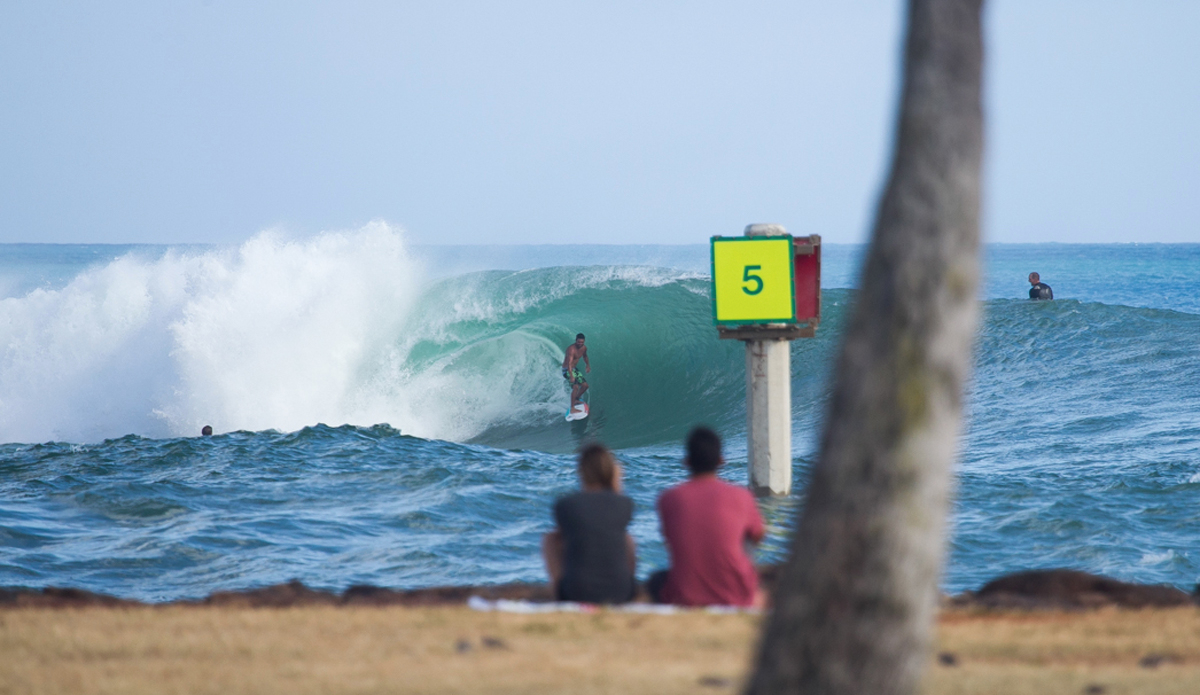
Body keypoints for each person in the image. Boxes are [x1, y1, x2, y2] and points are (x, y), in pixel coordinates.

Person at [649, 427, 765, 608]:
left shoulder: (669, 498)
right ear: (721, 461)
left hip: (684, 596)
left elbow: (668, 539)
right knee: (746, 540)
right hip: (736, 595)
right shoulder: (742, 496)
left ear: (687, 461)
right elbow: (758, 535)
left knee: (655, 580)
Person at [541, 443, 636, 604]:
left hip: (575, 591)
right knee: (626, 538)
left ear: (581, 471)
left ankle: (557, 589)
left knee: (551, 538)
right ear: (612, 471)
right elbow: (611, 507)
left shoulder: (566, 505)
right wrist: (615, 482)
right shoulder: (624, 504)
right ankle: (627, 581)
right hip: (620, 592)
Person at [561, 333, 590, 410]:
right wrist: (571, 375)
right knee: (576, 387)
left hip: (574, 369)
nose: (580, 344)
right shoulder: (571, 349)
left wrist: (587, 365)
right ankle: (572, 407)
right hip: (567, 369)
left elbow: (585, 356)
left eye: (582, 342)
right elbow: (569, 363)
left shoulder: (584, 348)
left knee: (585, 386)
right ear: (575, 340)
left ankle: (576, 399)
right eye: (578, 342)